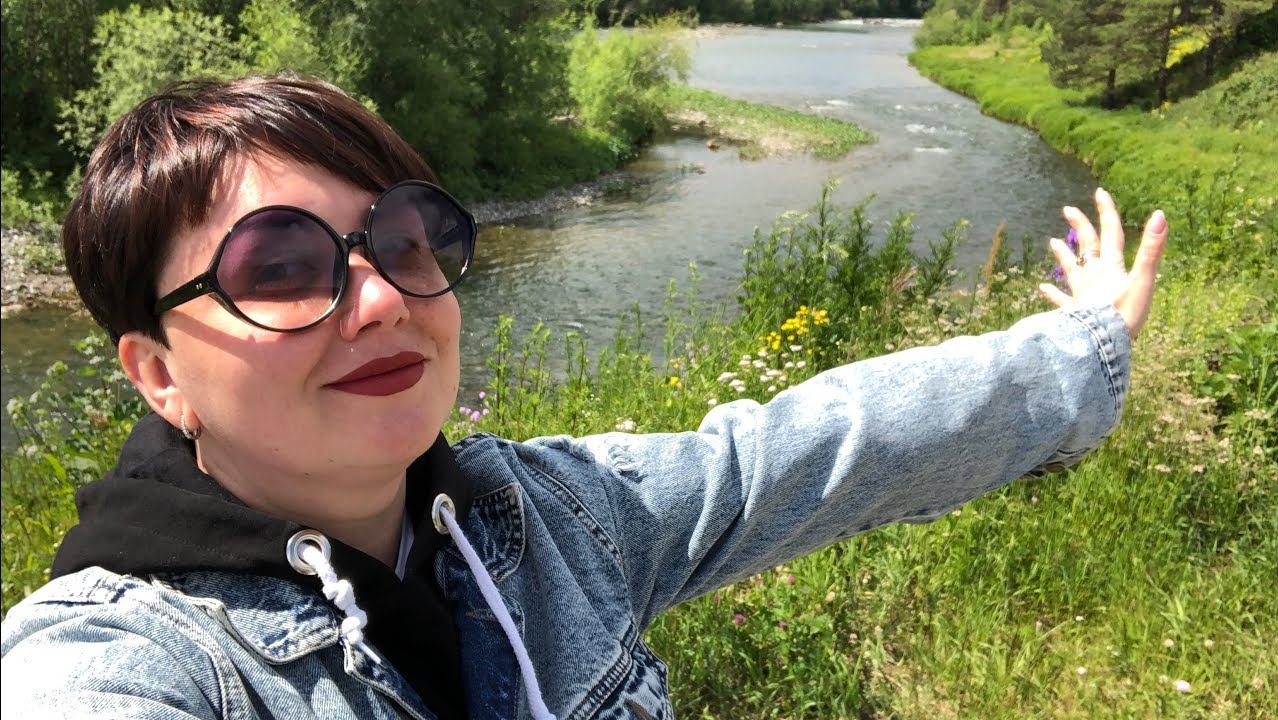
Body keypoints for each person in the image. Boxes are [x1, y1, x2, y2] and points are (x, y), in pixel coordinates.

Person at [0, 74, 1167, 720]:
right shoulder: (127, 659)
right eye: (280, 266)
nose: (381, 299)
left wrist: (1078, 352)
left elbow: (815, 451)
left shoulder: (550, 517)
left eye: (402, 238)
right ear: (158, 373)